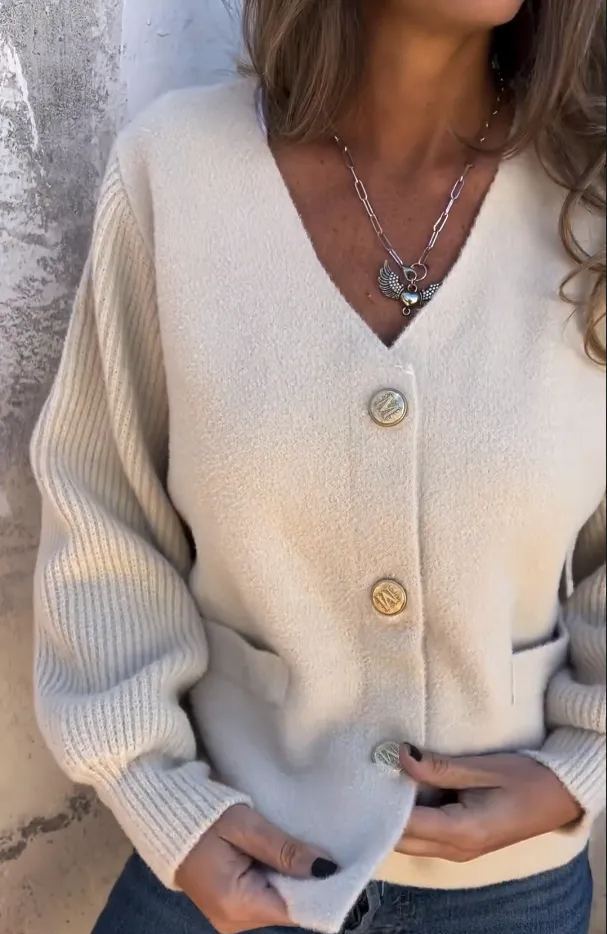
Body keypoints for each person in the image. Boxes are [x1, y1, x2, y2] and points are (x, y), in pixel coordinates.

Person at [29, 1, 605, 932]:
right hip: (223, 872)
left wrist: (583, 762)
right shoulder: (175, 173)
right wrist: (162, 801)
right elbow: (102, 510)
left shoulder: (589, 204)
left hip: (508, 896)